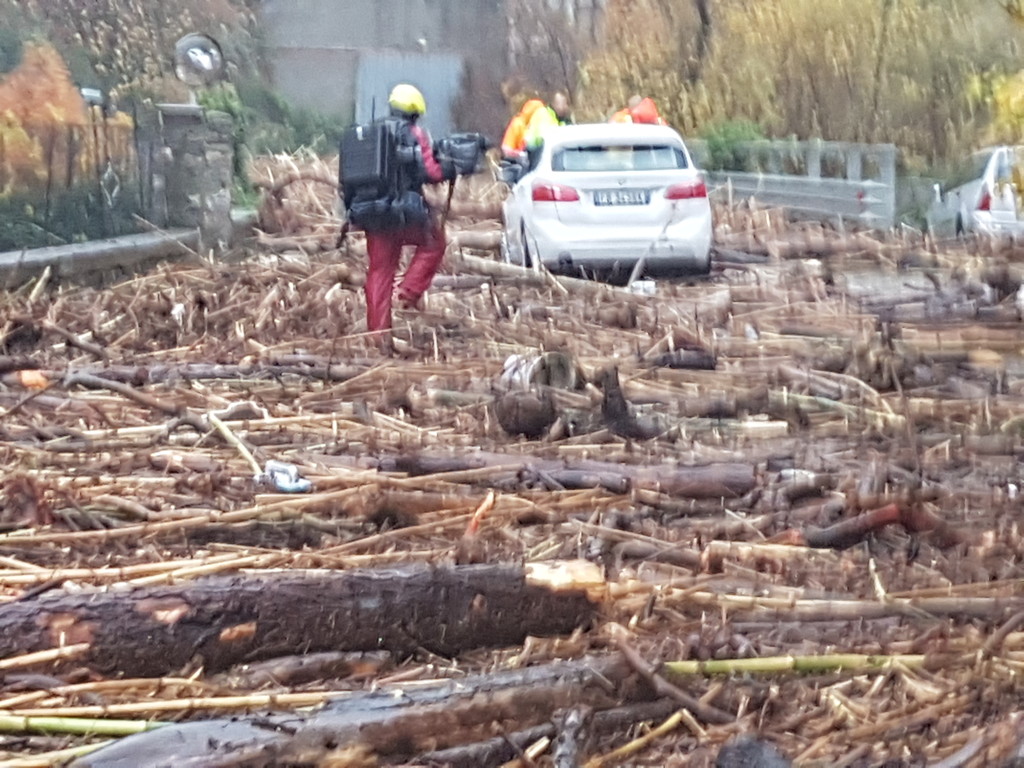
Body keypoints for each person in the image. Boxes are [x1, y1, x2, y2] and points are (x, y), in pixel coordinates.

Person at [362, 84, 447, 343]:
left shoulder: (371, 131)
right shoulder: (414, 134)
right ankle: (408, 293)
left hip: (373, 214)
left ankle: (379, 335)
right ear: (415, 112)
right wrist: (449, 167)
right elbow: (432, 172)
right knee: (435, 242)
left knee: (379, 271)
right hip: (405, 214)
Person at [524, 91, 572, 167]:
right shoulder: (544, 115)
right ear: (557, 105)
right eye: (565, 104)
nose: (566, 107)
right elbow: (547, 140)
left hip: (541, 156)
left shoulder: (557, 119)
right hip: (536, 156)